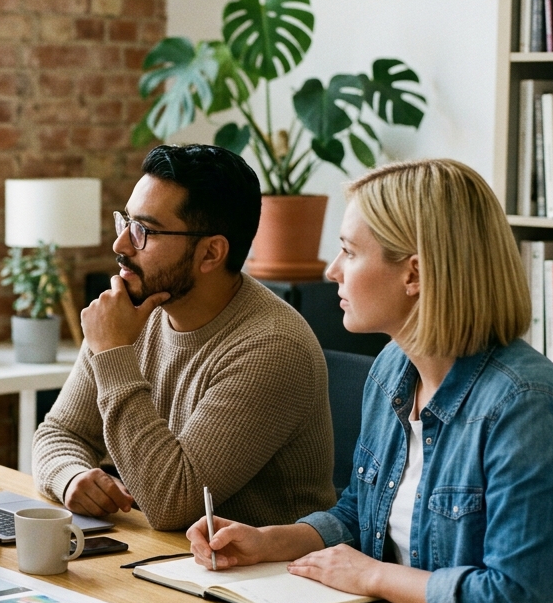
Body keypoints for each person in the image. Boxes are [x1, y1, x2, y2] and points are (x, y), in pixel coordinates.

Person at [187, 159, 553, 603]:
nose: (332, 272)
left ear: (413, 273)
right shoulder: (393, 368)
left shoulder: (527, 407)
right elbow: (361, 513)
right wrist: (271, 541)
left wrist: (373, 576)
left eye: (348, 252)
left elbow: (517, 602)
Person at [32, 144, 336, 531]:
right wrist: (71, 477)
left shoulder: (272, 346)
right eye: (124, 222)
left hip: (262, 578)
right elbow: (59, 432)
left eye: (144, 231)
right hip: (167, 559)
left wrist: (113, 352)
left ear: (211, 253)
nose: (121, 245)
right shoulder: (132, 312)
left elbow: (172, 503)